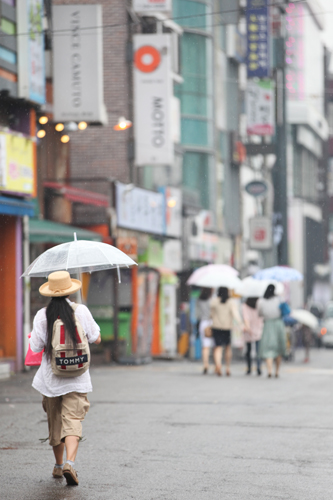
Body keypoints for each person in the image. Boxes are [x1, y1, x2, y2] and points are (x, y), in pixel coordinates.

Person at [30, 271, 101, 486]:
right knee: (73, 421)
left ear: (50, 292)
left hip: (51, 379)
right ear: (71, 290)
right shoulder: (81, 310)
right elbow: (96, 338)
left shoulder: (42, 315)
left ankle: (59, 465)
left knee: (55, 423)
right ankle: (71, 462)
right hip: (78, 378)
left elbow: (35, 347)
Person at [210, 287, 242, 376]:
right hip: (227, 328)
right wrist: (241, 324)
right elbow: (235, 314)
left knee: (218, 347)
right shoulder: (231, 302)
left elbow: (211, 315)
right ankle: (227, 367)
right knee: (227, 347)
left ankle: (218, 365)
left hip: (216, 327)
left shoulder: (214, 301)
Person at [257, 284, 286, 378]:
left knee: (268, 348)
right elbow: (285, 311)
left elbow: (259, 313)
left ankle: (269, 370)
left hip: (267, 325)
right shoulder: (279, 300)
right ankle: (277, 371)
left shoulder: (261, 301)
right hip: (278, 324)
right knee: (278, 348)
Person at [242, 297, 263, 376]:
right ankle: (258, 367)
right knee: (258, 350)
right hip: (259, 328)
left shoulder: (245, 306)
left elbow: (245, 318)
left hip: (249, 329)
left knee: (248, 350)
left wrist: (247, 327)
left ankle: (249, 368)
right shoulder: (260, 304)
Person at [197, 288, 214, 374]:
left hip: (203, 323)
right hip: (211, 323)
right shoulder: (212, 301)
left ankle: (205, 364)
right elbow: (213, 313)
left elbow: (198, 313)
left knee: (205, 346)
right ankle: (215, 365)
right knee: (215, 345)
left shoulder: (199, 300)